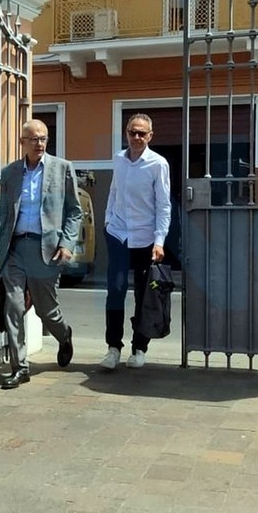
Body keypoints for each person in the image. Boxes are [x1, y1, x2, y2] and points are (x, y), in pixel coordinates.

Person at [0, 119, 82, 389]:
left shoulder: (62, 168)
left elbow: (75, 211)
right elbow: (5, 213)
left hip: (47, 249)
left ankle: (64, 335)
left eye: (43, 138)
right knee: (13, 306)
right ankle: (20, 367)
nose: (40, 143)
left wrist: (67, 244)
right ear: (23, 142)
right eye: (34, 139)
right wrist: (1, 250)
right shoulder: (10, 173)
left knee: (46, 310)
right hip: (15, 249)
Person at [101, 113, 171, 370]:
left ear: (150, 136)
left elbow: (164, 205)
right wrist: (108, 220)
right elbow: (113, 191)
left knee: (144, 294)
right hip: (119, 233)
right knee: (116, 289)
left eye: (142, 133)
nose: (137, 137)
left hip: (145, 237)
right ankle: (113, 348)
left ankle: (139, 348)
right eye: (133, 132)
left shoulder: (158, 164)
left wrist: (159, 240)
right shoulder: (119, 159)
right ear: (126, 133)